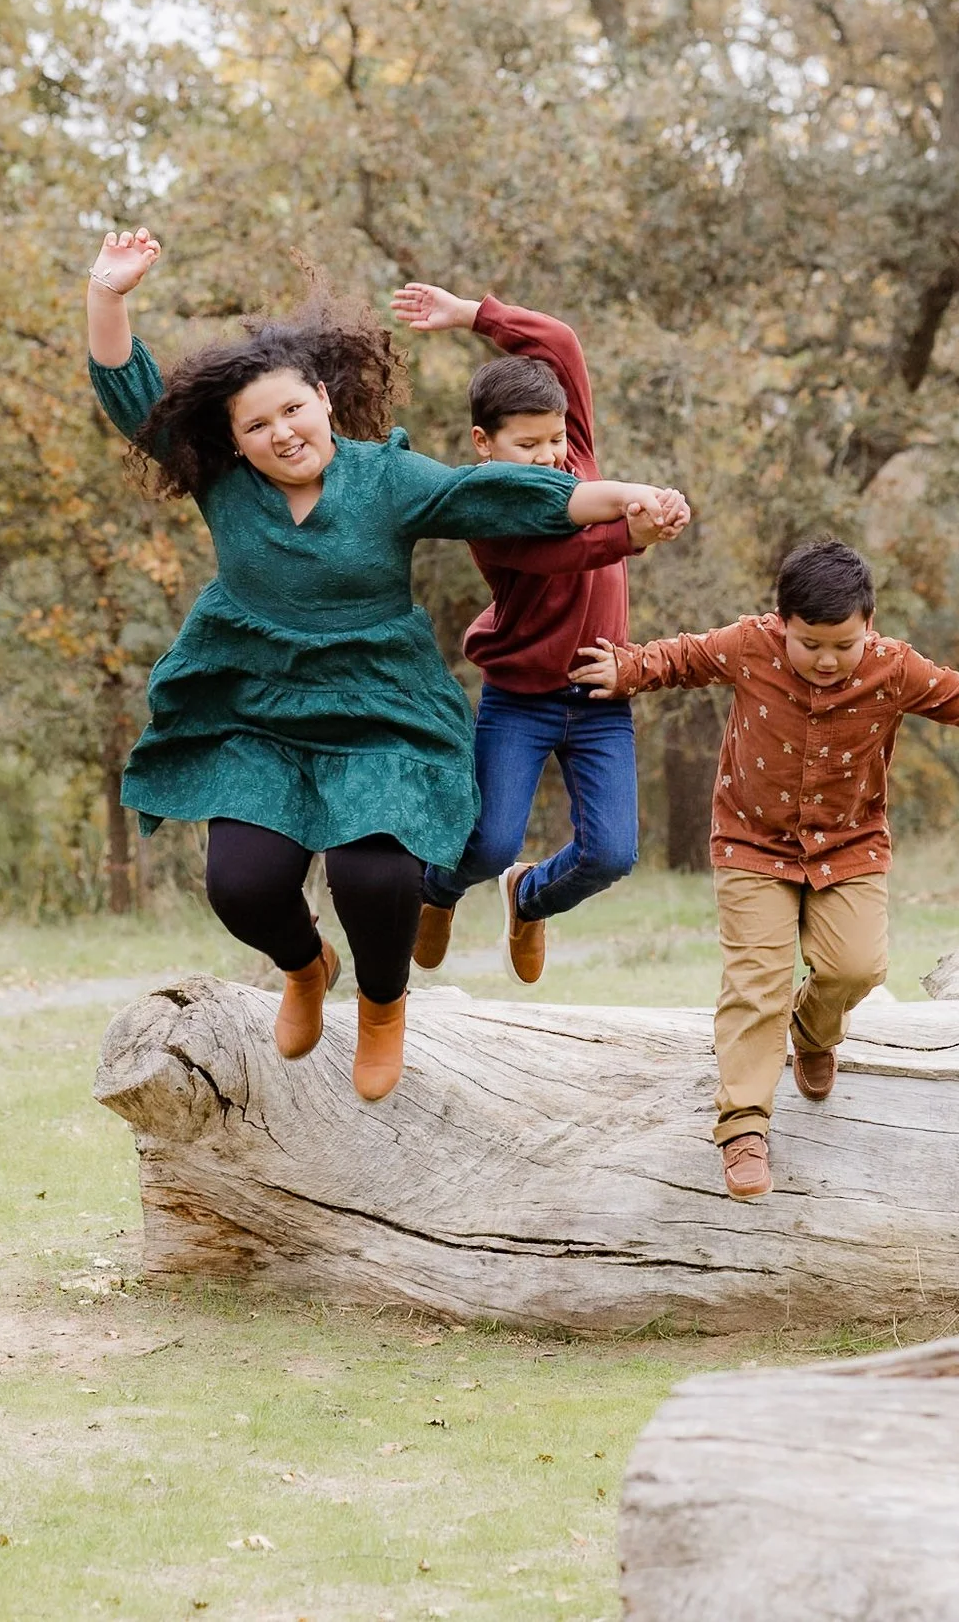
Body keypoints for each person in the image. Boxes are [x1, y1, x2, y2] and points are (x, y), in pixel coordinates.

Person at [84, 227, 693, 1101]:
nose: (280, 432)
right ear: (235, 440)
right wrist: (109, 293)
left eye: (293, 409)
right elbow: (130, 394)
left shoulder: (389, 480)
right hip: (256, 707)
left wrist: (626, 498)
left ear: (325, 400)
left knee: (378, 873)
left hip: (378, 709)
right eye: (256, 425)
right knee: (242, 886)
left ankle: (381, 1005)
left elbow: (504, 493)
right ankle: (304, 966)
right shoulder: (225, 485)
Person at [572, 540, 959, 1200]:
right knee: (756, 981)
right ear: (781, 624)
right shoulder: (748, 646)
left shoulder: (893, 667)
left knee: (858, 967)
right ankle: (743, 1125)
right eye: (810, 644)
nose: (827, 661)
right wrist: (626, 668)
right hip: (751, 843)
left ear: (869, 624)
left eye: (843, 645)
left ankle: (813, 1029)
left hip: (849, 847)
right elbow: (681, 657)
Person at [389, 281, 682, 984]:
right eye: (530, 444)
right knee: (487, 843)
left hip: (602, 692)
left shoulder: (570, 450)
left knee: (611, 855)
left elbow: (561, 344)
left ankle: (529, 895)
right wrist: (634, 533)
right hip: (520, 697)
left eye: (557, 438)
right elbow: (565, 550)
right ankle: (437, 888)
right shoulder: (483, 507)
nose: (552, 455)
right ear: (483, 445)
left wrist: (470, 315)